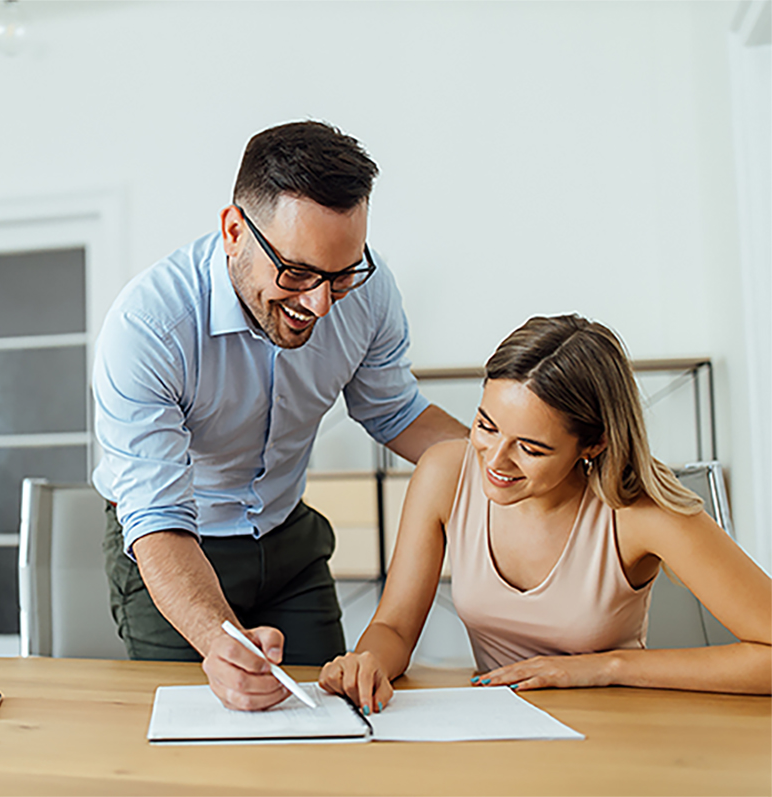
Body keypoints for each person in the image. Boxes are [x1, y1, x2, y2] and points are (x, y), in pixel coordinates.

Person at [92, 121, 467, 710]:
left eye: (341, 275)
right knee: (200, 734)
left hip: (287, 538)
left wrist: (515, 460)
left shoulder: (369, 293)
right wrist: (219, 642)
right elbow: (158, 516)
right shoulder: (149, 326)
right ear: (235, 231)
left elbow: (395, 412)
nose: (319, 304)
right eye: (296, 272)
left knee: (336, 716)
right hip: (174, 546)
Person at [319, 315, 772, 712]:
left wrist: (607, 667)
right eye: (485, 426)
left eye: (531, 449)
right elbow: (394, 626)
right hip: (500, 731)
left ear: (594, 444)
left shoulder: (639, 509)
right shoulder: (444, 473)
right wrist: (370, 662)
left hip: (619, 731)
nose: (495, 461)